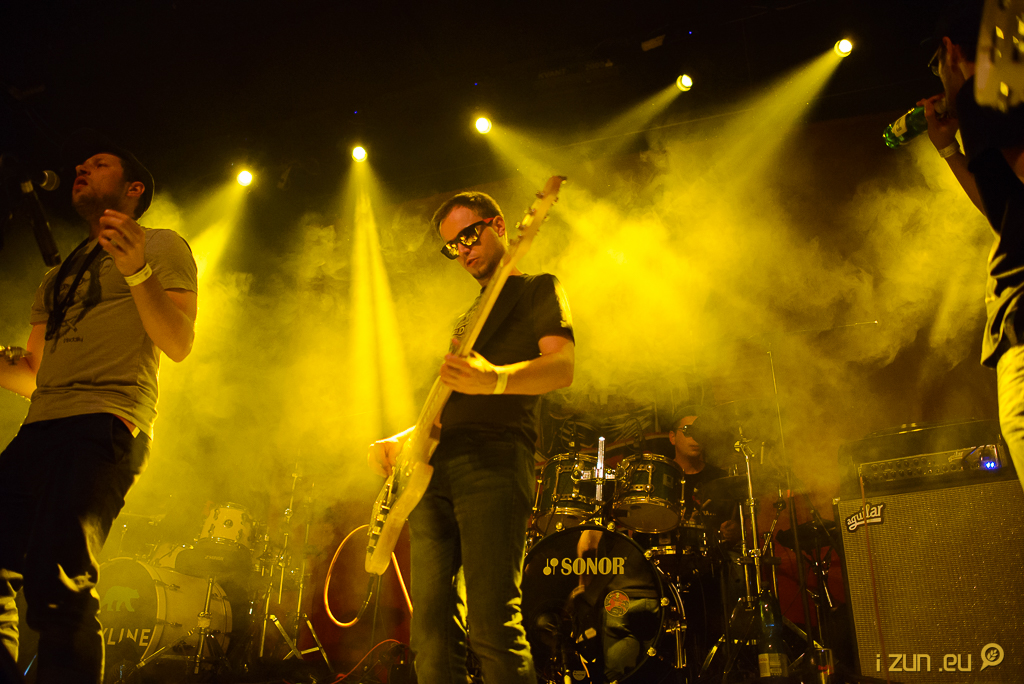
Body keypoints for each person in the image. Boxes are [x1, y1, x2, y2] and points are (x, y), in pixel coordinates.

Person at [0, 131, 198, 683]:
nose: (81, 168)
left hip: (107, 422)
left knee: (57, 579)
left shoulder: (161, 246)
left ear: (134, 189)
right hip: (41, 425)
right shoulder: (57, 275)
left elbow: (178, 343)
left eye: (99, 163)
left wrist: (137, 271)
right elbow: (34, 376)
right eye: (80, 164)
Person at [368, 191, 574, 684]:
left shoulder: (537, 288)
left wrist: (495, 379)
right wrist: (404, 437)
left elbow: (562, 367)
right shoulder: (468, 316)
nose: (462, 250)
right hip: (434, 469)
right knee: (430, 634)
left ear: (499, 226)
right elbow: (451, 402)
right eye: (452, 246)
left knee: (491, 623)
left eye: (468, 235)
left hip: (494, 459)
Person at [919, 0, 1024, 489]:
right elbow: (1006, 211)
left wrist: (966, 105)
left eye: (938, 67)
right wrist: (950, 150)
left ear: (951, 51)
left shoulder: (989, 103)